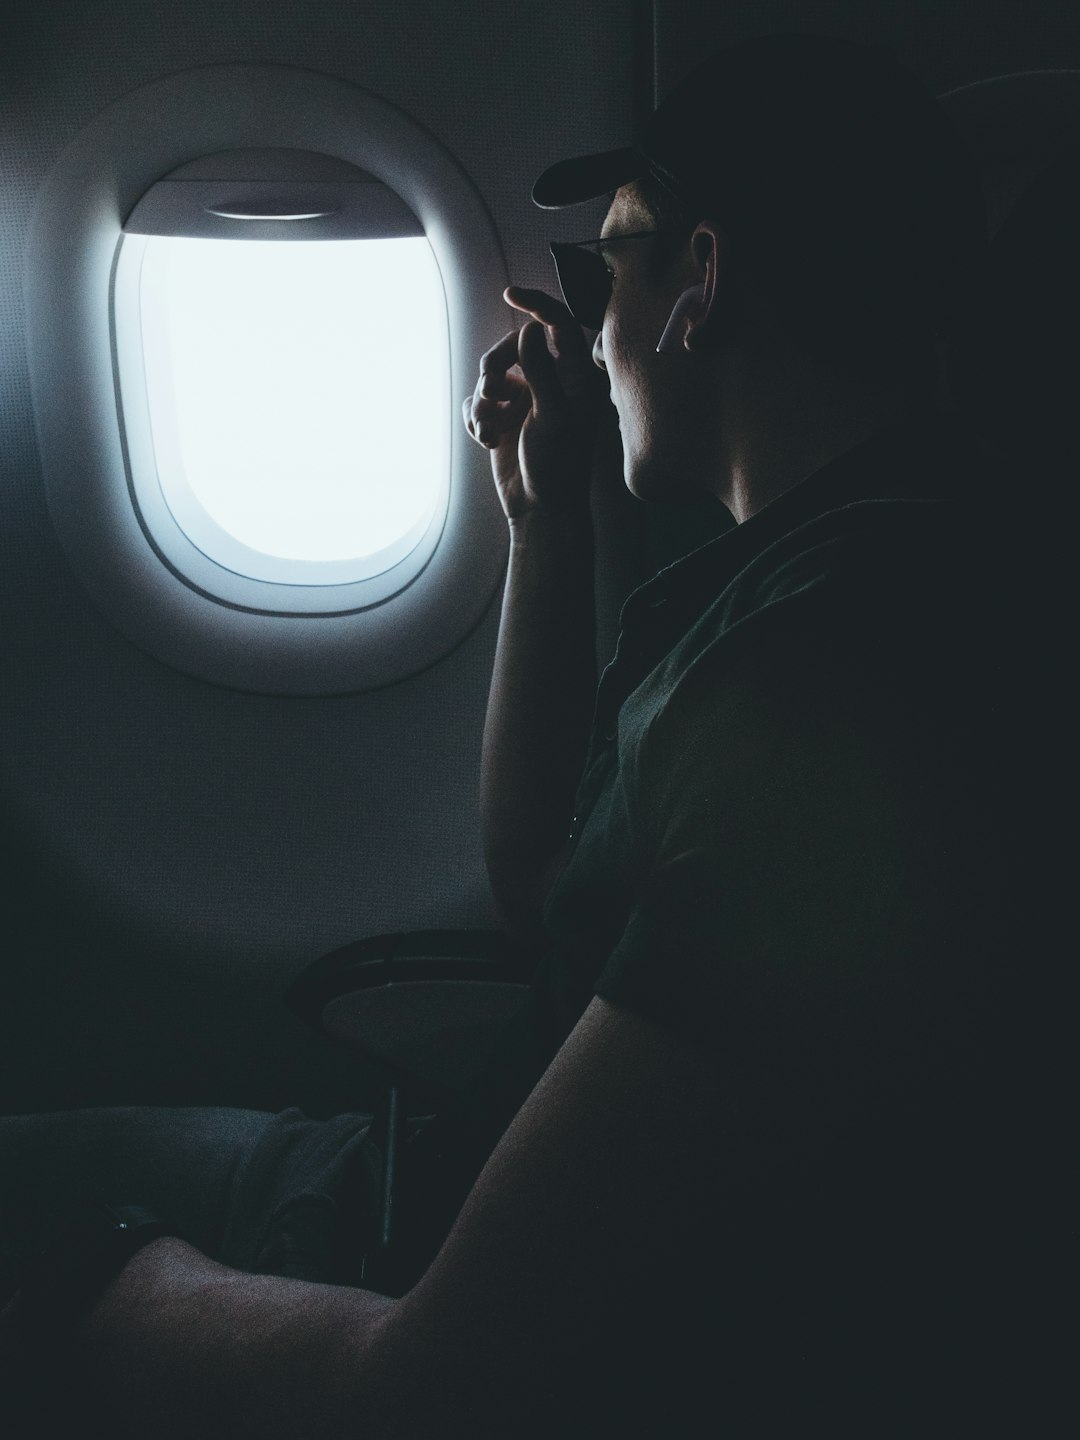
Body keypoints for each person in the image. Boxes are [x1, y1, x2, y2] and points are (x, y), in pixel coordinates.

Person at [0, 34, 1054, 1437]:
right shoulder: (840, 578)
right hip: (437, 1198)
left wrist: (102, 1285)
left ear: (701, 286)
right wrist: (545, 518)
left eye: (611, 264)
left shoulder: (831, 683)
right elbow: (549, 882)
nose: (595, 322)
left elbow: (434, 1391)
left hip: (410, 1280)